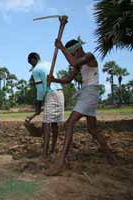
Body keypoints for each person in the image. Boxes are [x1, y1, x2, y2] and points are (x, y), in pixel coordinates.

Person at [46, 36, 116, 175]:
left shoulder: (89, 56)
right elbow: (68, 79)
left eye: (73, 53)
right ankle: (111, 157)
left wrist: (61, 48)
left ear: (78, 49)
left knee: (69, 123)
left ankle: (61, 161)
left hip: (90, 93)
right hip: (88, 94)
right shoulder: (79, 63)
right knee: (92, 129)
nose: (72, 56)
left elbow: (72, 62)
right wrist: (55, 79)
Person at [26, 52, 65, 158]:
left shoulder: (36, 69)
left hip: (51, 93)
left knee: (46, 124)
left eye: (31, 63)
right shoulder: (48, 64)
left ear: (34, 59)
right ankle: (52, 150)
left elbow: (39, 90)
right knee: (54, 124)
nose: (31, 65)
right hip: (59, 93)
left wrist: (38, 105)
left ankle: (44, 154)